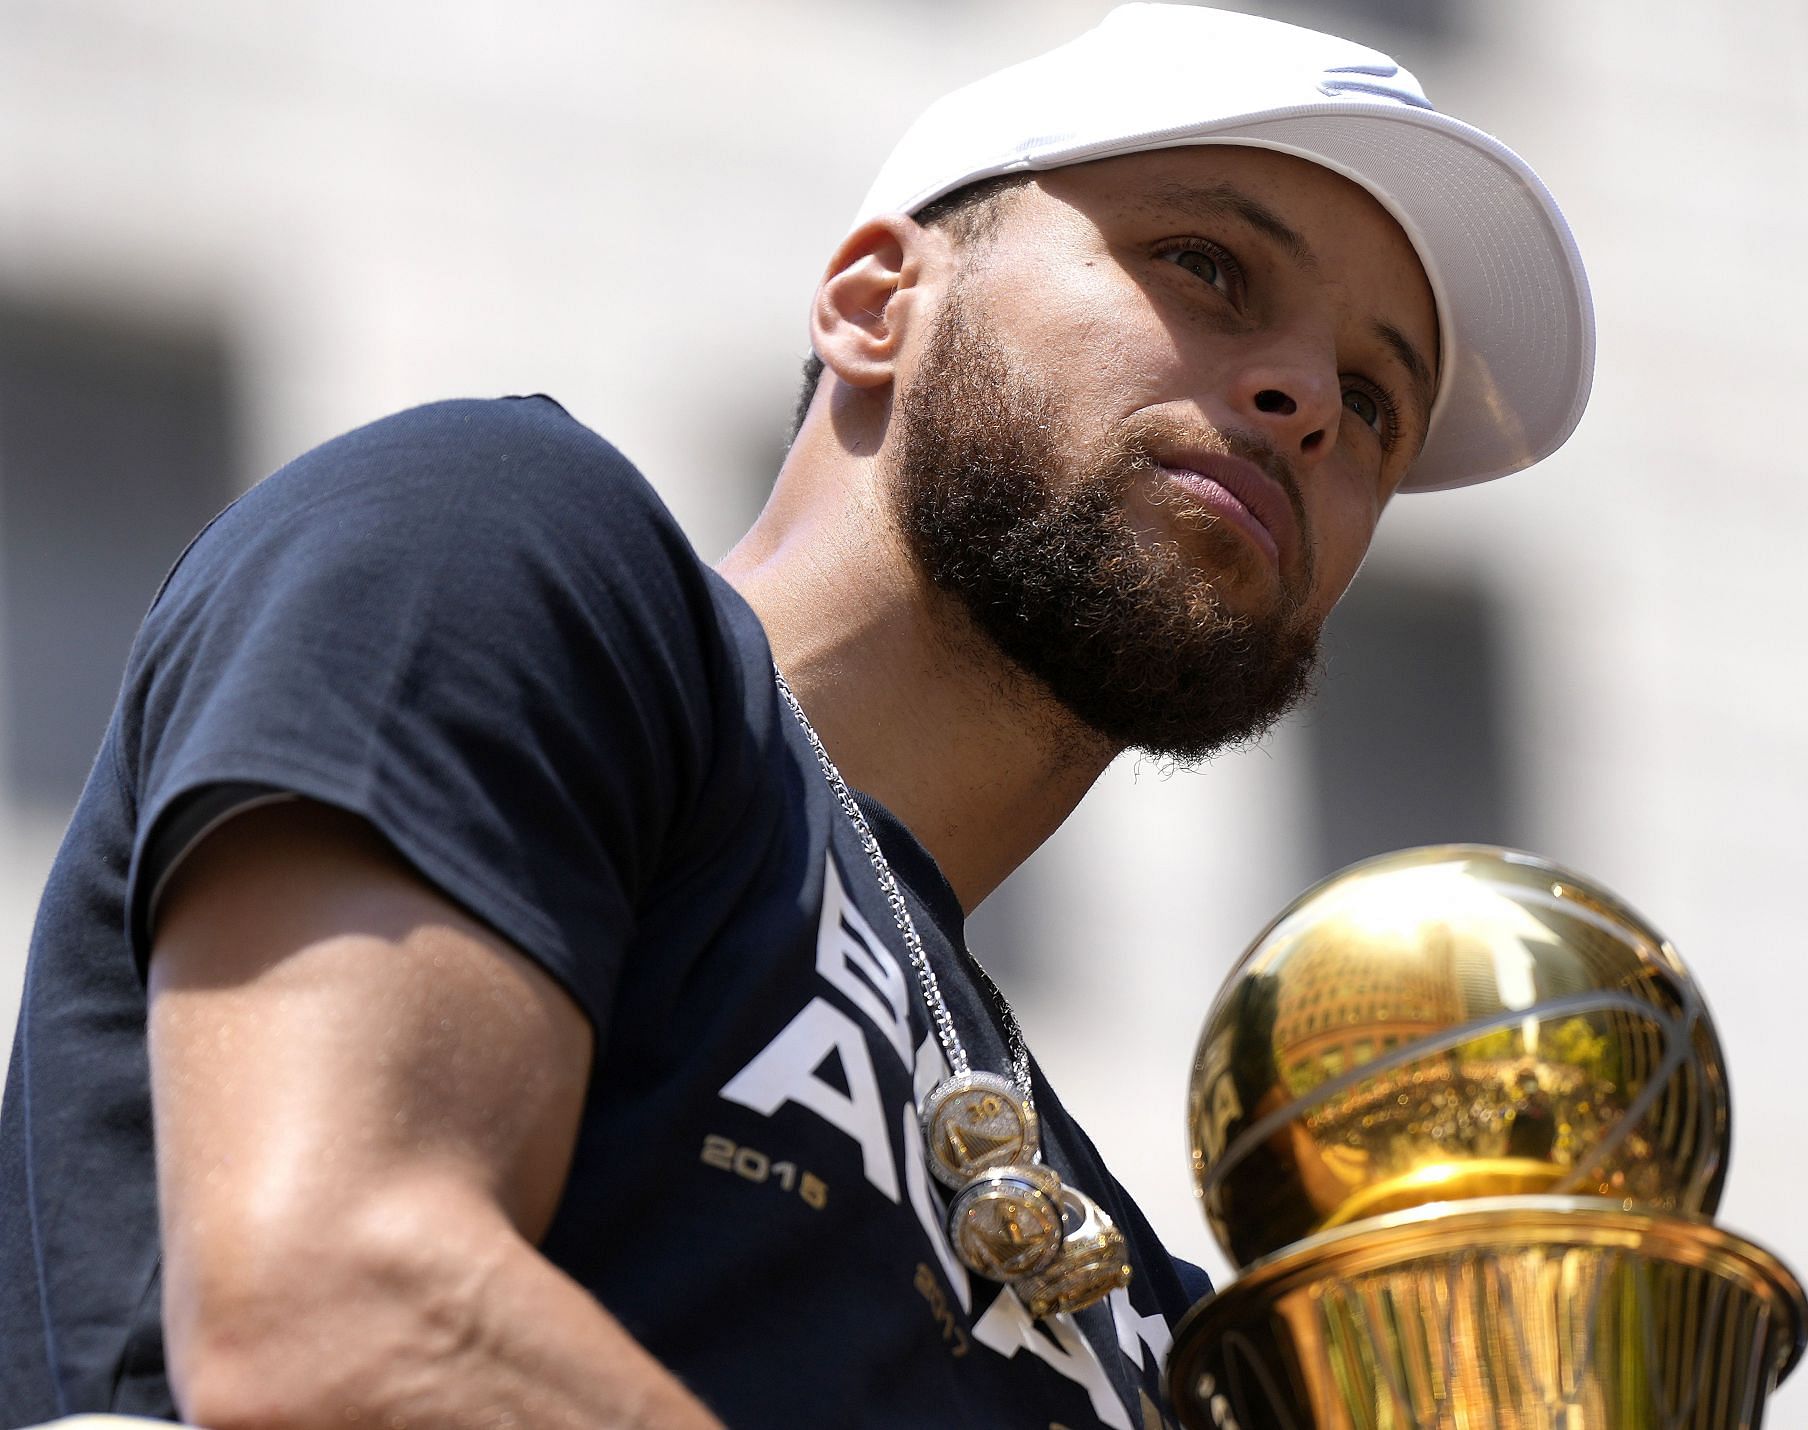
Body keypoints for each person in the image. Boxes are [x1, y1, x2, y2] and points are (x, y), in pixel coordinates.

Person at [0, 5, 1593, 1427]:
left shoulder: (1126, 1290)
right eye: (1208, 265)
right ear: (876, 296)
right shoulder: (508, 540)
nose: (1306, 398)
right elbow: (344, 1317)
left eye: (1374, 402)